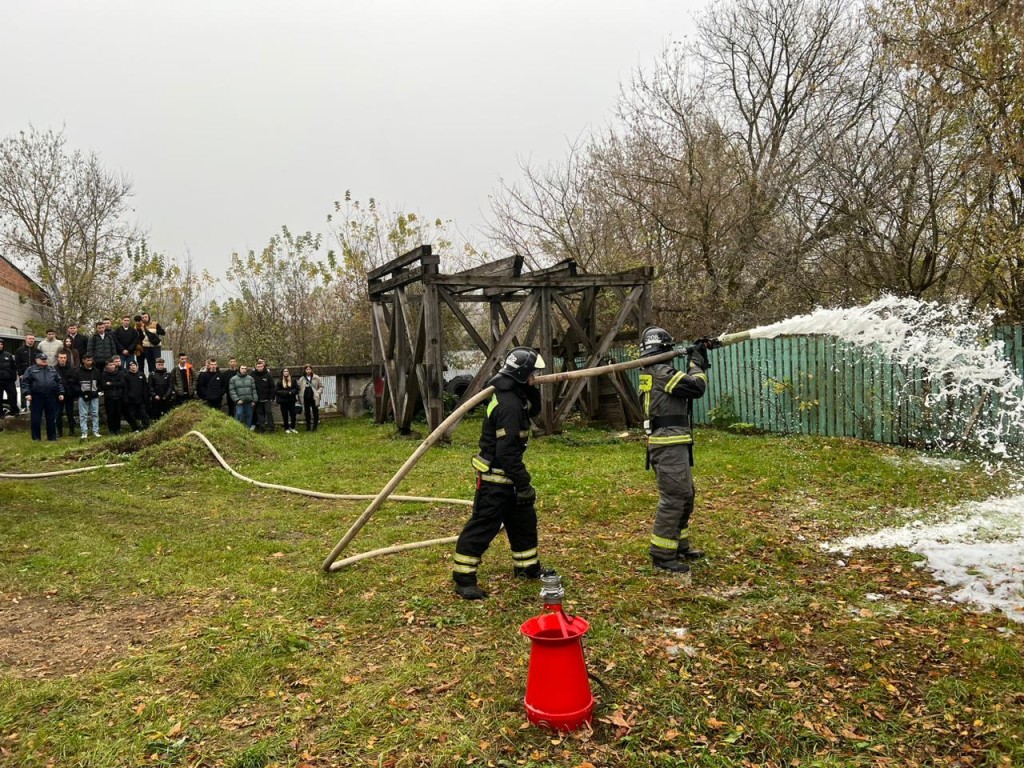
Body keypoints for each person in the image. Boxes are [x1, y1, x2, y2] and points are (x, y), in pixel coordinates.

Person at [452, 347, 549, 600]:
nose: (535, 378)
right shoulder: (509, 406)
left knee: (524, 523)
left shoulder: (514, 396)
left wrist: (530, 391)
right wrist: (524, 483)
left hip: (509, 479)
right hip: (496, 480)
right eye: (532, 375)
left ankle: (527, 568)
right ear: (521, 375)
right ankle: (464, 578)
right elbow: (507, 454)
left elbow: (534, 410)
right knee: (483, 527)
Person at [638, 326, 710, 574]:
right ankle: (662, 555)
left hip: (673, 443)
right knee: (675, 498)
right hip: (667, 445)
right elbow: (696, 387)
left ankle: (678, 545)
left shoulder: (654, 371)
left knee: (686, 495)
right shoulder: (661, 373)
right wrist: (695, 364)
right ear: (666, 349)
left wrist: (696, 358)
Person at [21, 352, 65, 441]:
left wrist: (61, 393)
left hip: (50, 396)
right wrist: (27, 393)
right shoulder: (31, 370)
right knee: (36, 418)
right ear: (36, 360)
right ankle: (36, 438)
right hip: (37, 396)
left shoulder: (52, 369)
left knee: (51, 417)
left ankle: (52, 437)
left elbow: (59, 382)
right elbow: (25, 383)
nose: (44, 361)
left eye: (45, 359)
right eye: (42, 360)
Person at [53, 350, 80, 438]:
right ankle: (59, 432)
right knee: (58, 414)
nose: (63, 359)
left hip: (69, 395)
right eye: (61, 358)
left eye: (64, 358)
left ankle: (72, 431)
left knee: (70, 414)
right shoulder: (54, 369)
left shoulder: (71, 368)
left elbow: (74, 381)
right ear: (58, 358)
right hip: (58, 395)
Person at [77, 353, 103, 438]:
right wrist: (81, 392)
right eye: (87, 360)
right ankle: (84, 432)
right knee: (83, 415)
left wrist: (96, 392)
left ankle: (96, 431)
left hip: (94, 395)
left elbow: (100, 384)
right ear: (83, 360)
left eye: (91, 360)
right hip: (82, 395)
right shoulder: (78, 371)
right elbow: (74, 384)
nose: (89, 362)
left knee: (95, 413)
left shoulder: (96, 371)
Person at [100, 357, 127, 435]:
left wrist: (111, 383)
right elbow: (104, 385)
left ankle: (118, 429)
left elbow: (122, 383)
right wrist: (115, 384)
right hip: (109, 397)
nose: (112, 366)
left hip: (118, 396)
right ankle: (111, 429)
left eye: (113, 365)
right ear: (107, 366)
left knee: (118, 413)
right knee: (110, 414)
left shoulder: (119, 373)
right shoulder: (104, 374)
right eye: (110, 365)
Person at [123, 360, 150, 431]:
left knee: (144, 414)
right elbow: (125, 388)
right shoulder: (126, 376)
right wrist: (126, 399)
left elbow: (145, 387)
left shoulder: (141, 375)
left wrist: (146, 397)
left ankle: (146, 428)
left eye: (134, 365)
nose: (133, 367)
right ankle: (135, 428)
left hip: (140, 400)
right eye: (131, 365)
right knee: (132, 416)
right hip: (131, 400)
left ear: (136, 366)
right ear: (129, 367)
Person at [251, 358, 276, 433]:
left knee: (269, 413)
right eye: (258, 367)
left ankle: (272, 428)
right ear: (256, 367)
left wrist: (272, 397)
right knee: (260, 414)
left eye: (261, 366)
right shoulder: (252, 375)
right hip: (257, 399)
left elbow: (272, 386)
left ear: (263, 366)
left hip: (267, 398)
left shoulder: (268, 375)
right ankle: (262, 428)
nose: (260, 368)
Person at [229, 364, 257, 428]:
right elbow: (232, 391)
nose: (243, 370)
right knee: (239, 414)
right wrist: (237, 400)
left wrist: (254, 400)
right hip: (239, 402)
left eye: (245, 368)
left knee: (249, 415)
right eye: (242, 368)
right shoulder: (233, 379)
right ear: (239, 369)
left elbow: (254, 390)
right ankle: (237, 429)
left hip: (249, 401)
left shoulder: (250, 378)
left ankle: (247, 429)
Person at [297, 364, 323, 432]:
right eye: (307, 369)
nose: (308, 371)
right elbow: (299, 388)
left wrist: (318, 392)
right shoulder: (302, 378)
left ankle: (315, 427)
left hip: (314, 397)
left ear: (311, 370)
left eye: (309, 369)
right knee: (307, 412)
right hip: (305, 398)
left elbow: (321, 386)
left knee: (315, 412)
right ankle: (308, 427)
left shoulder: (316, 377)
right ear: (305, 370)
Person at [14, 333, 37, 411]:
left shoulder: (37, 351)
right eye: (30, 338)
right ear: (26, 339)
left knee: (34, 390)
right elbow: (17, 363)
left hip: (35, 374)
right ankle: (24, 406)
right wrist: (20, 374)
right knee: (24, 390)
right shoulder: (19, 350)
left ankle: (32, 406)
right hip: (23, 374)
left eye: (33, 338)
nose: (31, 340)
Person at [276, 368, 299, 433]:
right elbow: (277, 391)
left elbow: (297, 388)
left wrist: (292, 392)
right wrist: (286, 393)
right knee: (285, 415)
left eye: (287, 371)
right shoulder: (279, 381)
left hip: (291, 400)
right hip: (283, 401)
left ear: (289, 372)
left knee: (293, 415)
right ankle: (286, 428)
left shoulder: (293, 380)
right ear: (282, 372)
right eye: (284, 371)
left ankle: (292, 427)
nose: (286, 372)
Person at [0, 338, 18, 417]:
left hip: (9, 380)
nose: (0, 346)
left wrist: (13, 377)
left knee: (13, 395)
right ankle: (1, 414)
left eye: (1, 344)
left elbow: (14, 367)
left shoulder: (8, 355)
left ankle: (15, 411)